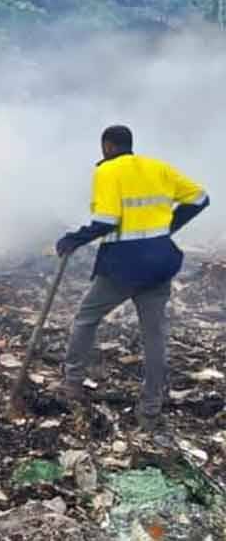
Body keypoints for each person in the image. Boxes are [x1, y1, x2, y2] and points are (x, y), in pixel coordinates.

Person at [56, 125, 209, 431]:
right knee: (154, 336)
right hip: (159, 265)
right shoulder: (158, 168)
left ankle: (72, 383)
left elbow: (107, 220)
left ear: (108, 147)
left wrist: (74, 239)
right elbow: (200, 197)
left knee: (86, 318)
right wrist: (167, 228)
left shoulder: (108, 171)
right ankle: (150, 410)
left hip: (123, 267)